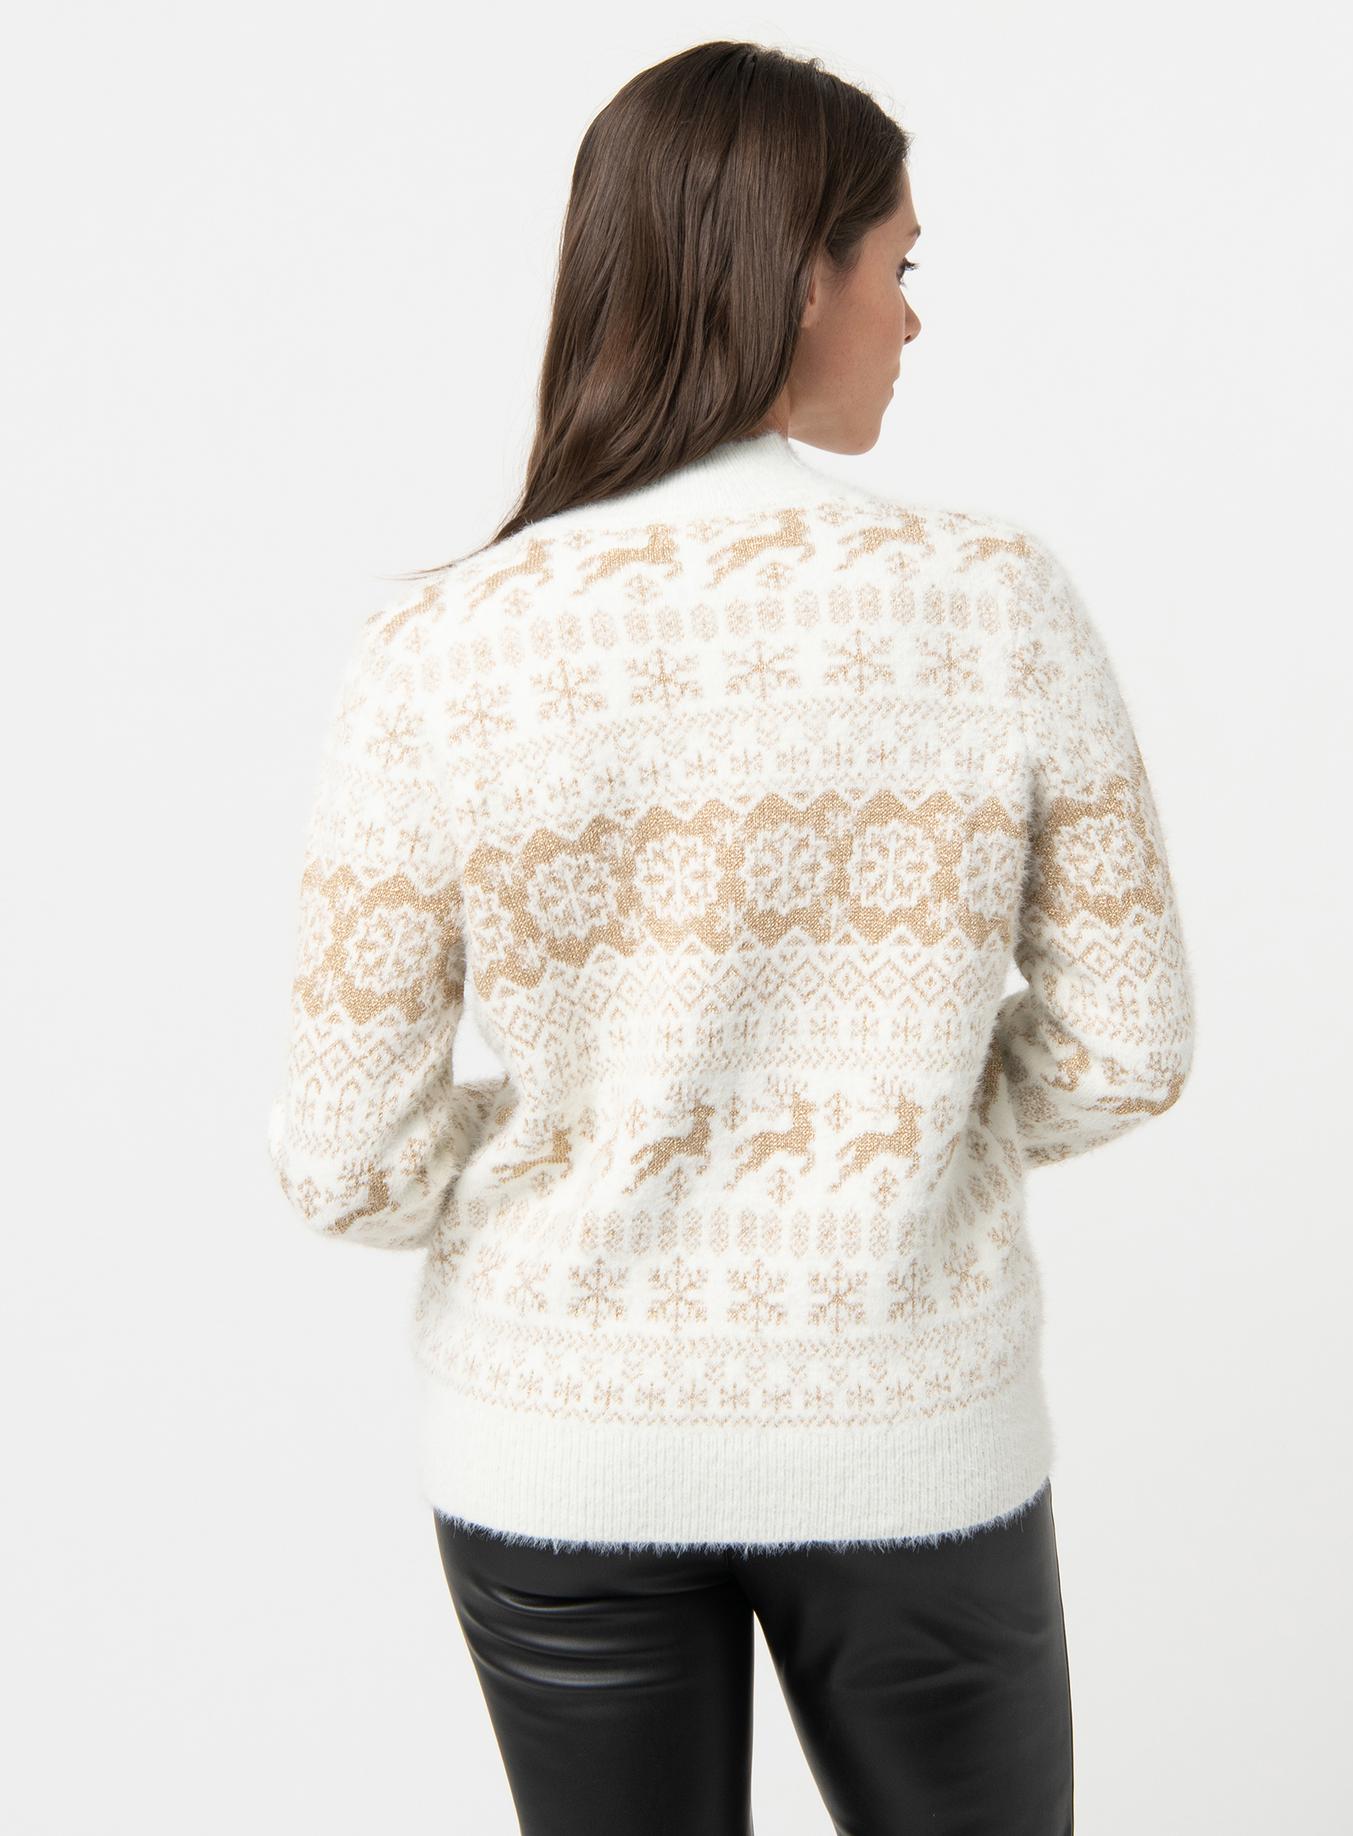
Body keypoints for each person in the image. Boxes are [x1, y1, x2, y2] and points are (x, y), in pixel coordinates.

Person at [266, 38, 1196, 1836]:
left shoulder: (435, 652)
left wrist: (587, 1153)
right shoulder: (988, 599)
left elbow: (346, 1163)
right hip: (903, 1417)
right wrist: (893, 1134)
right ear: (798, 274)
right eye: (898, 264)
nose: (912, 320)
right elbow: (1126, 1047)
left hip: (558, 1440)